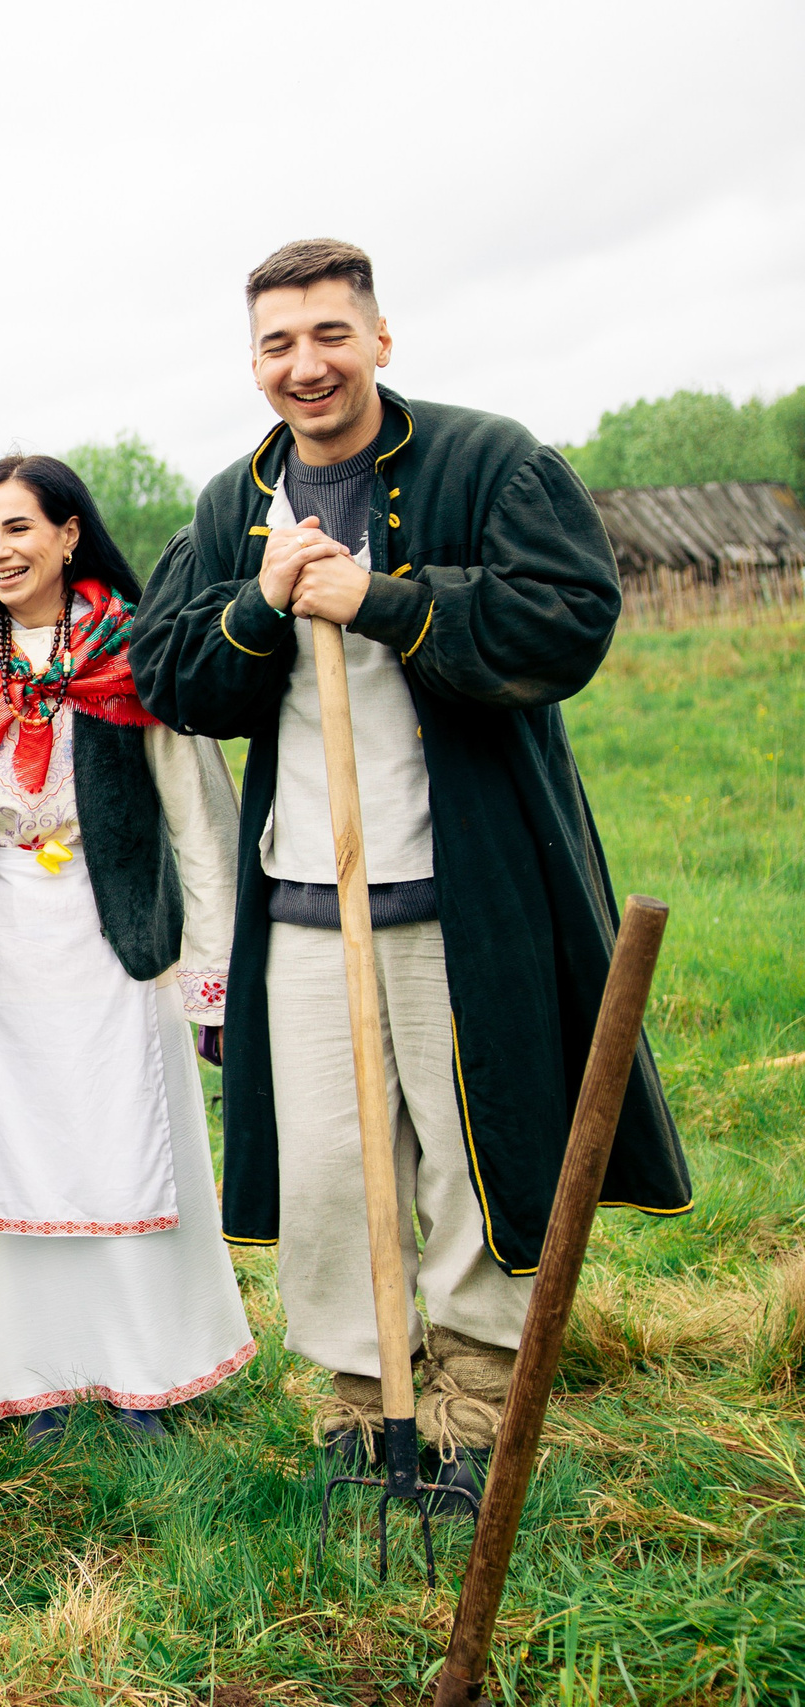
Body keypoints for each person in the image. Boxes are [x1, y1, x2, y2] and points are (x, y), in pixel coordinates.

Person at [128, 238, 692, 1503]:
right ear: (254, 362)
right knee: (332, 1165)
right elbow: (170, 674)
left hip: (460, 891)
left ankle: (471, 1400)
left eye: (329, 334)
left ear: (381, 338)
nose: (305, 364)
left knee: (465, 1145)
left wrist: (380, 598)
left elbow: (563, 619)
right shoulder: (234, 505)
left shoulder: (489, 462)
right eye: (277, 344)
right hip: (304, 905)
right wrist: (261, 606)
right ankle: (361, 1393)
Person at [0, 454, 253, 1444]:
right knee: (6, 1156)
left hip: (119, 939)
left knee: (127, 1146)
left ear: (69, 533)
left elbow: (200, 822)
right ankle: (24, 1379)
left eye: (17, 529)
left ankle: (141, 1377)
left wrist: (212, 978)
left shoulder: (135, 654)